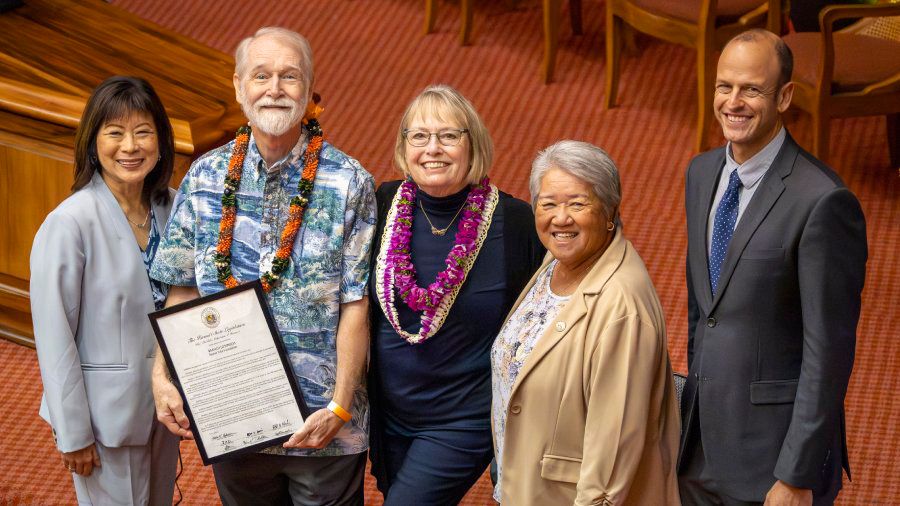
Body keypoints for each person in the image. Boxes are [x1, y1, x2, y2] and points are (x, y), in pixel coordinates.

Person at [148, 27, 376, 505]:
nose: (274, 89)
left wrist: (338, 406)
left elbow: (356, 306)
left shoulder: (349, 182)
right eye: (262, 75)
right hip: (233, 418)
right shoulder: (205, 178)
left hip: (323, 426)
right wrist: (161, 374)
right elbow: (182, 291)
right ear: (238, 86)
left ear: (310, 91)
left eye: (289, 77)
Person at [679, 29, 867, 505]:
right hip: (699, 444)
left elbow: (828, 353)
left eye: (751, 89)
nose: (733, 102)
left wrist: (796, 475)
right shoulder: (701, 174)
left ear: (784, 96)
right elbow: (706, 309)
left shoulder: (823, 201)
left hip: (773, 461)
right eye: (725, 86)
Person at [368, 84, 545, 504]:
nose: (434, 149)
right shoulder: (383, 204)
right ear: (403, 146)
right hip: (389, 410)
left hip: (462, 417)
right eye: (420, 136)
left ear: (473, 144)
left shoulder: (515, 222)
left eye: (449, 136)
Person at [491, 140, 680, 505]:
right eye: (548, 204)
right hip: (524, 483)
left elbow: (610, 465)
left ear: (610, 210)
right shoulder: (557, 261)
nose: (560, 218)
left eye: (578, 204)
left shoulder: (622, 309)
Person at [30, 75, 180, 505]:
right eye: (115, 133)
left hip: (165, 407)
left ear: (161, 139)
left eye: (143, 132)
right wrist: (73, 432)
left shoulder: (173, 205)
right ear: (93, 143)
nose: (130, 147)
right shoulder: (69, 223)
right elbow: (54, 335)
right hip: (104, 420)